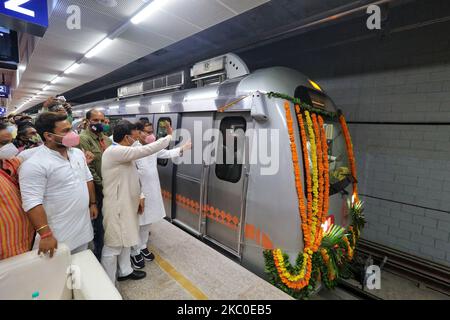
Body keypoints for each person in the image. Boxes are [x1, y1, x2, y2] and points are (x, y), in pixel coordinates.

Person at [101, 120, 172, 283]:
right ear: (127, 138)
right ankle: (109, 284)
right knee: (113, 245)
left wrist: (139, 196)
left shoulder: (123, 151)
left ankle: (125, 271)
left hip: (127, 203)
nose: (137, 140)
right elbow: (146, 150)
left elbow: (133, 176)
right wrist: (168, 136)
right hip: (117, 206)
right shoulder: (115, 152)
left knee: (126, 239)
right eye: (135, 137)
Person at [19, 112, 98, 257]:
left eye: (71, 129)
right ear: (48, 136)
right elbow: (32, 202)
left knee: (81, 268)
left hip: (83, 228)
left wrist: (93, 203)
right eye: (66, 131)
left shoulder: (77, 153)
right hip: (59, 235)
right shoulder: (35, 164)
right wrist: (46, 234)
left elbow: (87, 178)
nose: (73, 134)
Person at [130, 121, 191, 269]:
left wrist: (183, 148)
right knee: (138, 223)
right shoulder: (133, 150)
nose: (151, 135)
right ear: (138, 133)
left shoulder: (153, 148)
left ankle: (143, 246)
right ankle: (134, 251)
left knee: (147, 222)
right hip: (139, 192)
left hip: (152, 190)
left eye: (152, 132)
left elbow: (167, 153)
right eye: (147, 132)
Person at [78, 109, 112, 260]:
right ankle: (99, 257)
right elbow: (89, 169)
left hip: (110, 188)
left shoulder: (107, 140)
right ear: (87, 121)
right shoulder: (82, 139)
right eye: (96, 121)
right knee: (99, 227)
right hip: (98, 190)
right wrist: (104, 185)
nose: (100, 124)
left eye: (102, 121)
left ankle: (109, 256)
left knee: (110, 224)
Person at [0, 123, 35, 260]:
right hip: (5, 251)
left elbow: (21, 159)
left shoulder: (7, 162)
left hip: (22, 242)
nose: (9, 147)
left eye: (10, 142)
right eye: (3, 143)